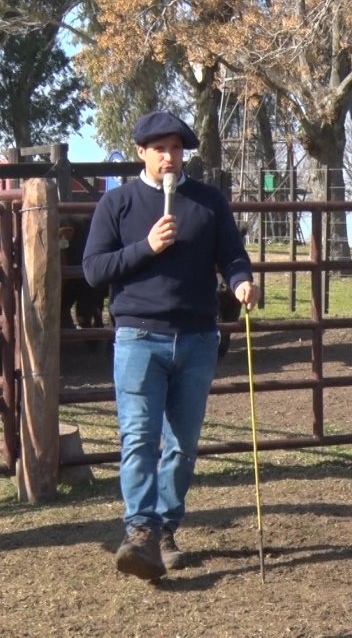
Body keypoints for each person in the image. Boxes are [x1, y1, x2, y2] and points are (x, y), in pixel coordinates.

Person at [83, 111, 260, 580]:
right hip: (139, 336)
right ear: (140, 151)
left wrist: (242, 281)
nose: (169, 157)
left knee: (181, 445)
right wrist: (146, 247)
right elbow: (94, 270)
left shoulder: (207, 202)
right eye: (160, 148)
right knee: (139, 436)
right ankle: (139, 531)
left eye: (176, 149)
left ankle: (165, 529)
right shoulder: (117, 204)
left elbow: (232, 255)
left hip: (198, 338)